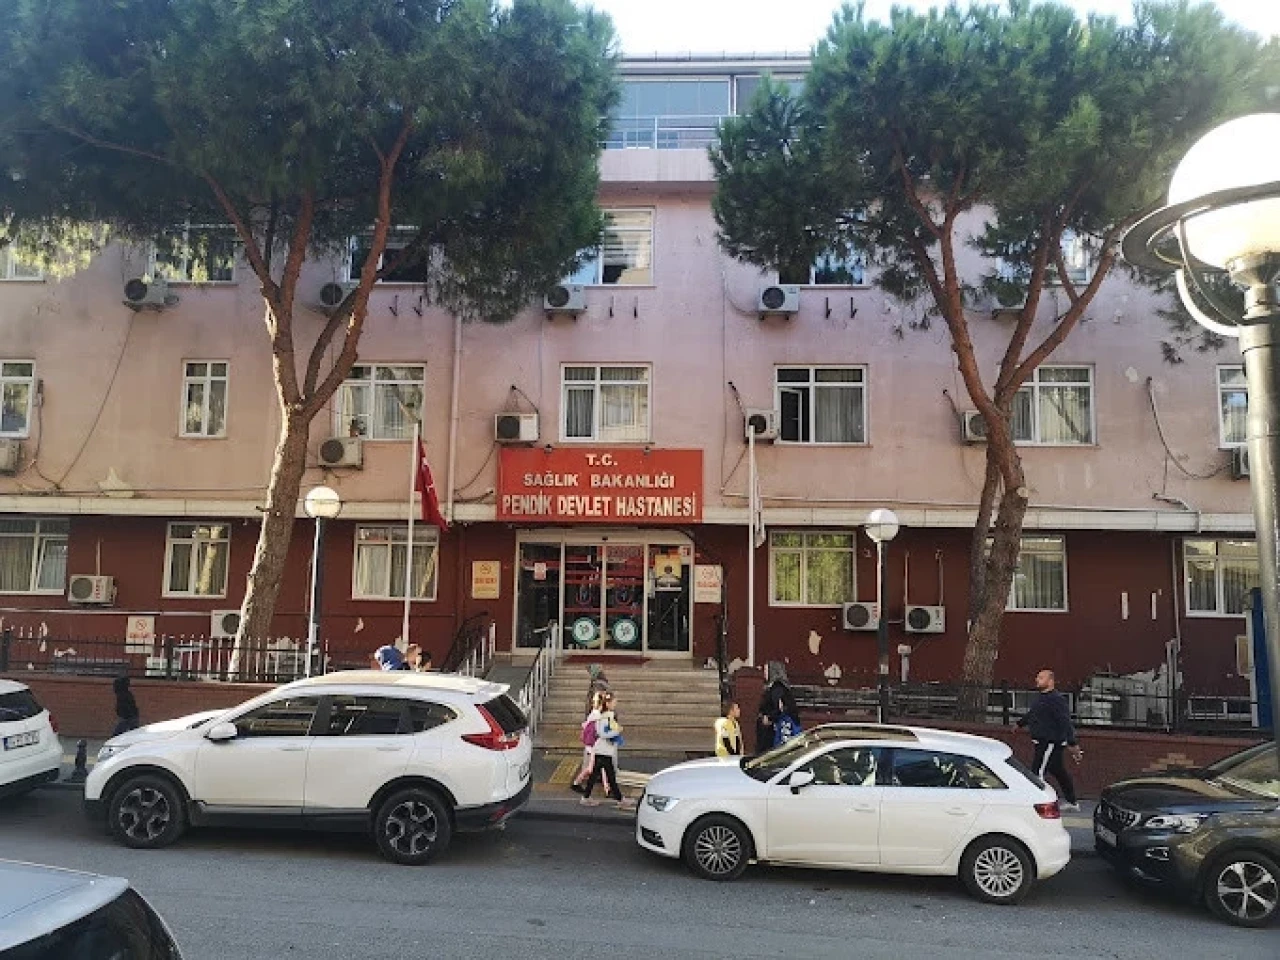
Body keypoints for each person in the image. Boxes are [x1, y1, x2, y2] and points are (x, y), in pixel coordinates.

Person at [1017, 669, 1082, 811]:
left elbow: (1065, 721)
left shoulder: (1056, 699)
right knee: (1058, 771)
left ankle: (1039, 803)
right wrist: (1020, 724)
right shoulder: (1042, 698)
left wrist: (1072, 742)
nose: (1037, 680)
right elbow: (1033, 714)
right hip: (1044, 741)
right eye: (1037, 677)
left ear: (1050, 681)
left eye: (1041, 678)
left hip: (1049, 742)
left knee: (1037, 773)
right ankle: (1072, 802)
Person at [580, 692, 634, 810]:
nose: (615, 704)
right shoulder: (605, 717)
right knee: (609, 776)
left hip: (603, 750)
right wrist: (617, 731)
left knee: (597, 775)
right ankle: (620, 799)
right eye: (614, 702)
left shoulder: (606, 716)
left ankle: (587, 797)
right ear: (607, 704)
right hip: (603, 750)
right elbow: (602, 733)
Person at [755, 661, 800, 754]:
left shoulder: (777, 688)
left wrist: (769, 717)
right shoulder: (775, 687)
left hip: (775, 730)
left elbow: (779, 708)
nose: (764, 673)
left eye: (766, 670)